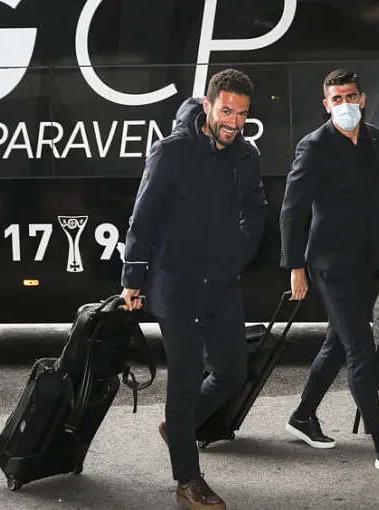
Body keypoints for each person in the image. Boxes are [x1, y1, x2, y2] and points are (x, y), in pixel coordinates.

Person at [120, 68, 268, 509]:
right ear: (208, 106)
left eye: (242, 114)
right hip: (176, 285)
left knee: (232, 372)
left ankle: (177, 428)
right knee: (184, 383)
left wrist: (237, 253)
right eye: (226, 111)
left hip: (221, 283)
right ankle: (187, 480)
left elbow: (255, 211)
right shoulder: (171, 152)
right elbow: (143, 218)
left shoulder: (246, 156)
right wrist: (133, 279)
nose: (233, 122)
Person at [279, 69, 379, 477]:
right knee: (360, 347)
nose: (345, 105)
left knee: (338, 343)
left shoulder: (376, 139)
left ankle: (303, 415)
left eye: (350, 97)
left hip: (364, 261)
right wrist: (295, 266)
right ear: (326, 105)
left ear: (362, 99)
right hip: (328, 264)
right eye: (336, 99)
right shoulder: (313, 146)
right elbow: (292, 210)